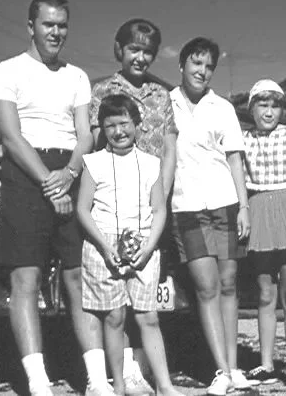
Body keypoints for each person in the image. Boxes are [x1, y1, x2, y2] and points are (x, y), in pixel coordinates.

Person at [0, 0, 97, 396]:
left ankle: (97, 377)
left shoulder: (78, 76)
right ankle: (38, 382)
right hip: (24, 174)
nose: (56, 32)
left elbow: (85, 132)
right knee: (26, 279)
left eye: (62, 25)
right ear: (30, 25)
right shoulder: (7, 71)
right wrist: (49, 183)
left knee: (78, 277)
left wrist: (69, 173)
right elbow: (10, 136)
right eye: (48, 24)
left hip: (69, 169)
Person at [89, 18, 177, 395]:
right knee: (114, 306)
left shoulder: (162, 94)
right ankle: (123, 375)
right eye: (134, 49)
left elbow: (170, 147)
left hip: (152, 204)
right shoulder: (102, 90)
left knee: (147, 303)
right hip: (114, 206)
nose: (140, 57)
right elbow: (95, 143)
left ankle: (146, 373)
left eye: (148, 51)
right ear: (119, 50)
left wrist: (163, 193)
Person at [77, 93, 184, 396]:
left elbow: (160, 209)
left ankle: (164, 385)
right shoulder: (93, 162)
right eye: (110, 125)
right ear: (102, 130)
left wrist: (148, 247)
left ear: (137, 125)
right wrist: (105, 246)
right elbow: (83, 209)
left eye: (124, 123)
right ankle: (119, 385)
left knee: (148, 317)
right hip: (102, 245)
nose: (118, 131)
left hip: (144, 245)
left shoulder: (152, 164)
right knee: (113, 316)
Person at [168, 37, 251, 396]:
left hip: (225, 203)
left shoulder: (223, 107)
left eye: (208, 66)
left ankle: (234, 367)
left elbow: (235, 159)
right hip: (186, 207)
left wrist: (244, 207)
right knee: (207, 287)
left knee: (229, 285)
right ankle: (220, 369)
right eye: (195, 63)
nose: (202, 71)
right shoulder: (166, 104)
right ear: (182, 65)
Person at [242, 79, 286, 392]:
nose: (269, 112)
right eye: (262, 105)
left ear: (283, 108)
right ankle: (266, 363)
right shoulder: (243, 138)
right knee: (265, 294)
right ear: (252, 108)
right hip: (258, 209)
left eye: (275, 105)